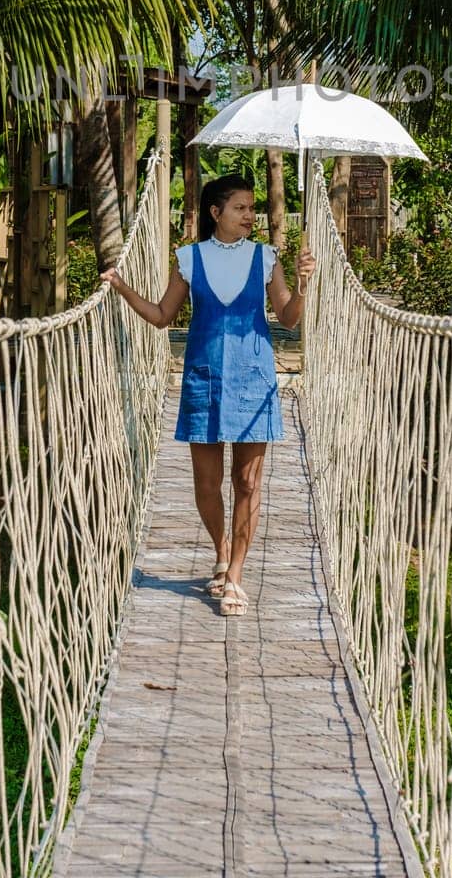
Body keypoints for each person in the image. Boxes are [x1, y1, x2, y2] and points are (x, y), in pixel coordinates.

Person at [102, 173, 315, 617]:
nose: (249, 215)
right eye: (240, 208)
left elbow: (289, 318)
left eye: (252, 208)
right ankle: (221, 550)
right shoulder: (189, 259)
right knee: (206, 484)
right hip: (203, 380)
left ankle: (235, 573)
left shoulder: (266, 258)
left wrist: (303, 283)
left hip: (253, 382)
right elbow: (162, 316)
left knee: (247, 482)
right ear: (215, 212)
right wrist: (121, 287)